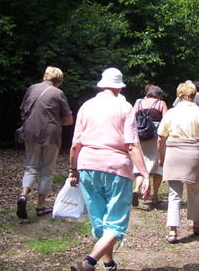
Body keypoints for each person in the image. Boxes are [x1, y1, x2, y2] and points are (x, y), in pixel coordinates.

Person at [69, 68, 150, 271]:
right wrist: (145, 173)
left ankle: (109, 263)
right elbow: (131, 145)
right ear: (120, 87)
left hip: (87, 166)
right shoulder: (124, 107)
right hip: (116, 167)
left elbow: (75, 145)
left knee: (101, 220)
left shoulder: (86, 106)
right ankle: (89, 262)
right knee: (115, 222)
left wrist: (73, 169)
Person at [158, 81, 199, 244]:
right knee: (194, 192)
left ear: (179, 94)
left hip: (174, 153)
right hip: (194, 153)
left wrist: (161, 157)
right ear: (194, 95)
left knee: (174, 193)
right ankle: (196, 224)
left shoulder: (171, 113)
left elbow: (161, 138)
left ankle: (173, 231)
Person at [17, 66, 74, 218]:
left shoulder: (31, 88)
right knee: (47, 170)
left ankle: (23, 195)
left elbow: (23, 111)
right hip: (50, 135)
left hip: (30, 133)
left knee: (30, 167)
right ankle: (40, 206)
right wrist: (55, 122)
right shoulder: (58, 93)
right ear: (59, 80)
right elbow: (69, 120)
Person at [131, 84, 168, 206]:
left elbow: (132, 119)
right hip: (155, 137)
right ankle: (155, 196)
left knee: (142, 164)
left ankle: (137, 188)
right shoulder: (161, 104)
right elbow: (166, 121)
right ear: (159, 95)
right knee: (158, 167)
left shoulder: (139, 103)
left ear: (148, 94)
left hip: (141, 136)